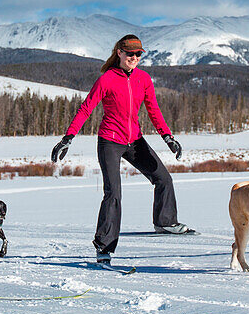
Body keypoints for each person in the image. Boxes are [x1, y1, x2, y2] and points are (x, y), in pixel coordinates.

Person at [51, 34, 193, 266]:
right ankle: (104, 246)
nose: (135, 58)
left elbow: (154, 110)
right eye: (130, 54)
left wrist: (168, 136)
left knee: (163, 178)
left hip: (135, 140)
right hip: (110, 141)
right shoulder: (106, 79)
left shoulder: (144, 79)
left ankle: (165, 221)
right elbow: (86, 109)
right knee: (113, 193)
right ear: (119, 53)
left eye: (138, 54)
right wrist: (68, 138)